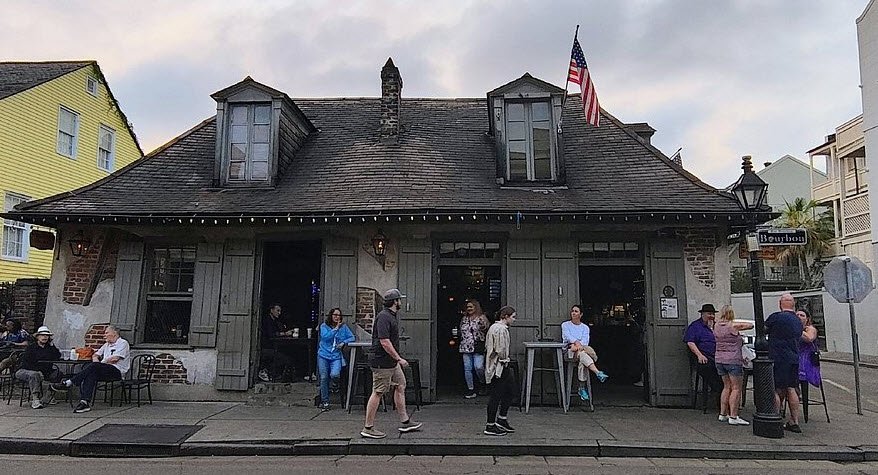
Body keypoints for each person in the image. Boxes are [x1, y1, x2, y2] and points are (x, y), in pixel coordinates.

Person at [361, 289, 422, 439]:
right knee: (378, 392)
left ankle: (405, 421)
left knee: (400, 385)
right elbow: (384, 341)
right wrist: (399, 358)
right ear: (395, 302)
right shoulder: (384, 317)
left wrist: (395, 360)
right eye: (399, 299)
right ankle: (368, 427)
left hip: (391, 362)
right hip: (382, 361)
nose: (401, 302)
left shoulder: (391, 316)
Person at [51, 324, 130, 413]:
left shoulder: (123, 343)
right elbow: (95, 354)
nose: (104, 335)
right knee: (91, 373)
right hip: (105, 370)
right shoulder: (106, 345)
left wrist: (99, 363)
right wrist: (96, 359)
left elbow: (115, 359)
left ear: (115, 333)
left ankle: (70, 382)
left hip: (117, 371)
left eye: (107, 333)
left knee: (93, 367)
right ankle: (84, 402)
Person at [765, 293, 804, 433]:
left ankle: (775, 417)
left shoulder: (775, 317)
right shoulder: (798, 320)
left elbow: (764, 331)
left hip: (778, 357)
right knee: (791, 388)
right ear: (793, 305)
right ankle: (794, 420)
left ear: (780, 304)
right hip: (793, 357)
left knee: (777, 389)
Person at [713, 305, 754, 425]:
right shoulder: (733, 325)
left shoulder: (716, 326)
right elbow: (750, 325)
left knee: (726, 387)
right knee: (736, 388)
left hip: (719, 359)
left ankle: (723, 413)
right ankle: (733, 416)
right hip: (733, 360)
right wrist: (735, 322)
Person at [561, 304, 608, 401]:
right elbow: (567, 337)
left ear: (581, 314)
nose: (573, 313)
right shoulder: (565, 325)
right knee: (585, 354)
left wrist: (577, 346)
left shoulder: (585, 328)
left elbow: (585, 341)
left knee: (582, 358)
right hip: (569, 352)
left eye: (576, 311)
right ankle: (597, 372)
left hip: (580, 350)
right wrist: (576, 343)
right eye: (572, 311)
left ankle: (582, 388)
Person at [484, 305, 518, 436]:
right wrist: (505, 359)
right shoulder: (500, 329)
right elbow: (501, 350)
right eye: (513, 317)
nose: (514, 320)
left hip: (501, 365)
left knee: (510, 391)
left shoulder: (495, 327)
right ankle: (490, 425)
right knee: (496, 395)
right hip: (499, 366)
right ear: (506, 317)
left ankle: (501, 419)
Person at [316, 307, 355, 411]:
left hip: (336, 356)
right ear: (331, 316)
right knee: (324, 377)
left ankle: (335, 384)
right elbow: (325, 337)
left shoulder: (344, 327)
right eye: (335, 315)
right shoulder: (324, 326)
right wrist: (336, 329)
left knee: (335, 374)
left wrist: (344, 342)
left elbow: (352, 337)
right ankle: (325, 401)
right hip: (323, 355)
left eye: (339, 315)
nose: (337, 317)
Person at [15, 326, 61, 409]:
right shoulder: (31, 348)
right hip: (26, 370)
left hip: (45, 371)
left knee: (58, 373)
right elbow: (26, 363)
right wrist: (37, 370)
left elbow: (57, 356)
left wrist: (52, 346)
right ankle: (35, 398)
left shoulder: (49, 348)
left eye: (47, 336)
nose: (44, 337)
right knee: (35, 375)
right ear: (37, 337)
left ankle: (48, 395)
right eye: (42, 335)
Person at [684, 303, 722, 394]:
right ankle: (719, 399)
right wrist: (699, 355)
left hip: (717, 357)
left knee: (728, 371)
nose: (711, 316)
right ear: (702, 314)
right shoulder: (695, 326)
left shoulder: (716, 326)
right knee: (712, 374)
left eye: (713, 314)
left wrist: (712, 329)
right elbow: (690, 342)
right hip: (704, 358)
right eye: (709, 314)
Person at [459, 299, 489, 399]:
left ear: (476, 307)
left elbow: (486, 329)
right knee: (467, 368)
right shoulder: (464, 319)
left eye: (471, 307)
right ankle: (470, 389)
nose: (469, 309)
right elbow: (461, 330)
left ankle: (483, 382)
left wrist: (481, 324)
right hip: (465, 346)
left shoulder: (481, 317)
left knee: (478, 366)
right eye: (468, 307)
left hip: (477, 346)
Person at [259, 303, 295, 383]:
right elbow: (272, 334)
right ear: (271, 310)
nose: (279, 313)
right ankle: (266, 371)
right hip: (266, 347)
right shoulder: (267, 320)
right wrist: (285, 333)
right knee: (285, 358)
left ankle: (274, 373)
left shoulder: (275, 321)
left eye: (280, 311)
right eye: (277, 310)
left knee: (288, 354)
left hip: (273, 346)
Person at [797, 309, 822, 396]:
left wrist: (798, 329)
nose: (799, 317)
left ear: (807, 319)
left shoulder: (810, 329)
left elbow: (809, 338)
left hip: (807, 360)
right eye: (797, 315)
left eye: (802, 315)